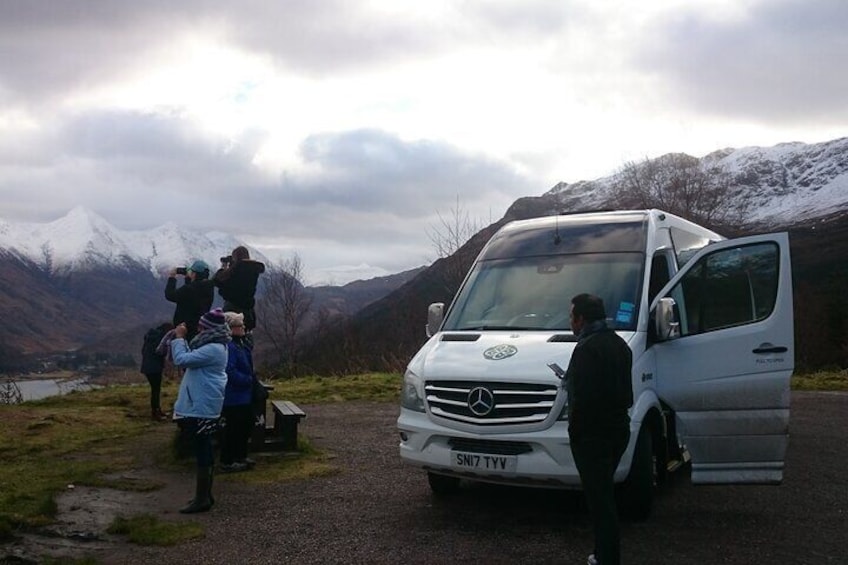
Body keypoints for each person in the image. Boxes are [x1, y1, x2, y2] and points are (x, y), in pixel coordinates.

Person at [565, 293, 634, 565]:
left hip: (593, 436)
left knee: (600, 502)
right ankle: (604, 553)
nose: (570, 322)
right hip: (618, 429)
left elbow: (582, 399)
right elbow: (625, 394)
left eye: (572, 316)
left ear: (581, 319)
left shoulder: (585, 350)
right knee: (605, 496)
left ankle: (606, 557)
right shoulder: (620, 345)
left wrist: (575, 433)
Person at [171, 308, 230, 514]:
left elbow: (182, 360)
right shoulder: (216, 346)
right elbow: (191, 358)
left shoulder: (213, 348)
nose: (199, 328)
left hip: (201, 405)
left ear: (209, 328)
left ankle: (202, 497)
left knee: (202, 446)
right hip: (204, 402)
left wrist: (179, 339)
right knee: (203, 445)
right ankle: (205, 494)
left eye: (202, 326)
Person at [219, 311, 257, 473]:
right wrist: (247, 380)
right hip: (234, 395)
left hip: (243, 395)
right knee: (233, 428)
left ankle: (240, 455)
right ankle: (228, 460)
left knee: (244, 425)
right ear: (231, 328)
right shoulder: (230, 347)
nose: (243, 327)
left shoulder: (240, 344)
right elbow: (229, 370)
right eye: (240, 325)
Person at [213, 246, 265, 331]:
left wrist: (224, 267)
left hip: (232, 310)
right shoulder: (254, 269)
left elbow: (218, 280)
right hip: (248, 312)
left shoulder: (236, 270)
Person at [165, 260, 215, 342]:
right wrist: (188, 279)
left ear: (194, 274)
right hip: (199, 327)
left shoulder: (189, 289)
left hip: (184, 329)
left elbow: (170, 295)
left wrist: (172, 277)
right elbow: (193, 294)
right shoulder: (209, 288)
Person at [140, 322, 174, 421]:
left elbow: (143, 351)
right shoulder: (160, 339)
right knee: (156, 390)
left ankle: (157, 410)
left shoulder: (149, 337)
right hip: (155, 367)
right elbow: (160, 351)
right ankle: (156, 412)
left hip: (147, 367)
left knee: (155, 390)